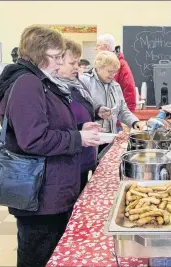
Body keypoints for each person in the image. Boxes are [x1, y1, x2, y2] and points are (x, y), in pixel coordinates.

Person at [0, 26, 104, 267]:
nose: (59, 63)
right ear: (38, 54)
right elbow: (33, 139)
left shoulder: (37, 80)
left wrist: (78, 131)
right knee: (39, 254)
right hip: (41, 196)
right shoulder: (27, 83)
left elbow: (46, 127)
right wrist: (78, 139)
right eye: (56, 57)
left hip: (50, 190)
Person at [52, 39, 102, 193]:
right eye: (72, 63)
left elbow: (82, 111)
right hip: (67, 159)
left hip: (84, 153)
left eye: (77, 63)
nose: (77, 67)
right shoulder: (52, 88)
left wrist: (97, 111)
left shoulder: (77, 84)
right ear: (58, 61)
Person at [80, 51, 142, 147]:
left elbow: (122, 110)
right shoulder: (85, 81)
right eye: (109, 71)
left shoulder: (115, 86)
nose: (112, 75)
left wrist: (134, 122)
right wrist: (97, 111)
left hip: (110, 138)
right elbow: (79, 111)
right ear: (98, 67)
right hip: (91, 140)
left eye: (115, 72)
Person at [96, 34, 136, 112]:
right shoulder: (98, 65)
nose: (95, 48)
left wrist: (125, 119)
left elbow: (129, 91)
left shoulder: (121, 65)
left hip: (114, 117)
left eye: (97, 45)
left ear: (105, 47)